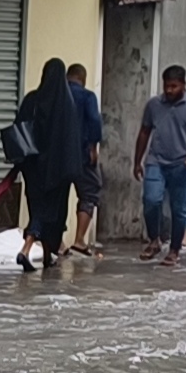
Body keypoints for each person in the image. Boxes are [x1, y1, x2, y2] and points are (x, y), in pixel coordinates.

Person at [9, 57, 84, 272]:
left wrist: (19, 164)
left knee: (37, 209)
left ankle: (47, 256)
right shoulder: (65, 105)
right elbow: (70, 141)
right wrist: (73, 172)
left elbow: (19, 131)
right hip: (57, 171)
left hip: (33, 168)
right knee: (50, 213)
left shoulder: (32, 100)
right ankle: (26, 248)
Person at [132, 64, 186, 268]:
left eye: (174, 86)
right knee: (151, 200)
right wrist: (137, 161)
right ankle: (154, 240)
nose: (169, 90)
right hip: (155, 160)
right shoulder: (154, 105)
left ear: (183, 85)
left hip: (181, 163)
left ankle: (175, 249)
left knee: (179, 209)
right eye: (167, 86)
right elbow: (144, 132)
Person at [66, 62, 105, 257]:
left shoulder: (57, 96)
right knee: (90, 192)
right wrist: (93, 146)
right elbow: (94, 120)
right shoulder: (87, 96)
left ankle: (56, 242)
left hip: (57, 158)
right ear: (83, 78)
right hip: (81, 154)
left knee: (57, 197)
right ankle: (79, 240)